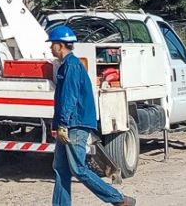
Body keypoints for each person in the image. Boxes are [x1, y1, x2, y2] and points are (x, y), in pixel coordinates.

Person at [48, 25, 136, 206]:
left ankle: (119, 199)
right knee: (61, 169)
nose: (50, 48)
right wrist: (58, 124)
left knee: (78, 169)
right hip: (69, 124)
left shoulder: (71, 66)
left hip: (75, 124)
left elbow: (69, 97)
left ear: (61, 45)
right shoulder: (66, 66)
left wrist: (63, 123)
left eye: (53, 44)